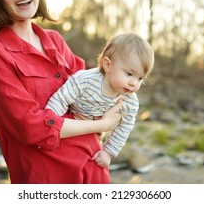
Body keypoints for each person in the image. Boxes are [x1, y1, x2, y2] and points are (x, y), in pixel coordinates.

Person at [0, 0, 122, 184]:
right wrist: (103, 124)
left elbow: (92, 94)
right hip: (47, 179)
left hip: (92, 170)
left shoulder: (55, 40)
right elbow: (29, 127)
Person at [46, 32, 155, 167]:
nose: (134, 83)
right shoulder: (85, 80)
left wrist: (108, 152)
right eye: (129, 74)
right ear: (108, 65)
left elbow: (124, 128)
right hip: (68, 124)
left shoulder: (130, 102)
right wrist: (49, 121)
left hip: (93, 136)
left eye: (140, 78)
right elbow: (61, 98)